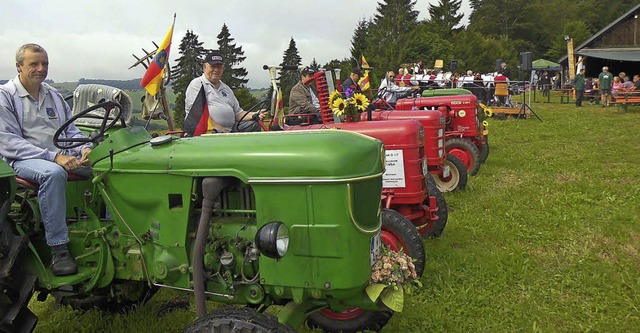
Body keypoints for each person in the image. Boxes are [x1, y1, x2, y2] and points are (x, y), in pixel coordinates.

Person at [0, 43, 92, 276]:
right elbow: (9, 142)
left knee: (107, 167)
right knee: (53, 173)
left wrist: (85, 148)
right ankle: (58, 249)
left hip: (60, 155)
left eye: (45, 64)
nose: (41, 68)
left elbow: (71, 131)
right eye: (34, 64)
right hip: (23, 159)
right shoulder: (6, 97)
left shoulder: (54, 95)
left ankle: (118, 230)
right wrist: (54, 157)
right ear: (19, 66)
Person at [184, 51, 266, 135]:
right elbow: (198, 115)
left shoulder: (226, 88)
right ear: (204, 67)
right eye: (212, 67)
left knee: (253, 125)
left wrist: (255, 114)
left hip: (229, 131)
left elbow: (238, 114)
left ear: (223, 69)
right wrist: (222, 131)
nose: (216, 70)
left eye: (219, 67)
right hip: (206, 131)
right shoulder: (197, 84)